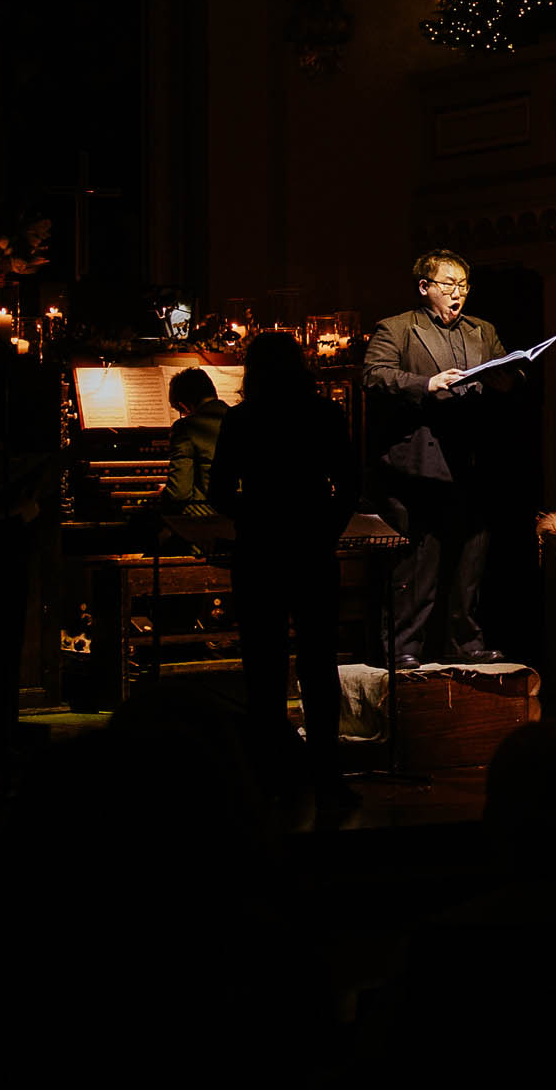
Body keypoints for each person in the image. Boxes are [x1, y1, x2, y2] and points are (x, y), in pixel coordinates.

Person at [209, 330, 360, 808]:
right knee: (319, 661)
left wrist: (253, 513)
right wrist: (325, 529)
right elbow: (350, 484)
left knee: (263, 662)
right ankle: (327, 771)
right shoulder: (323, 414)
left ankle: (270, 767)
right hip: (312, 548)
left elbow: (216, 491)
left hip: (258, 550)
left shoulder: (242, 418)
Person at [362, 249, 522, 667]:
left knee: (471, 557)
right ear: (424, 287)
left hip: (471, 457)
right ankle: (404, 647)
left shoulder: (481, 330)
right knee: (419, 560)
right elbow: (375, 374)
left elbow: (505, 368)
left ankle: (466, 641)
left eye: (463, 286)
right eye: (448, 285)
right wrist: (425, 383)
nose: (457, 294)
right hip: (421, 461)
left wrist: (509, 377)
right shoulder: (397, 328)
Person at [154, 366, 227, 519]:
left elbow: (179, 494)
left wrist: (164, 493)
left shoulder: (186, 427)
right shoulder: (242, 419)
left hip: (208, 520)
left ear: (184, 405)